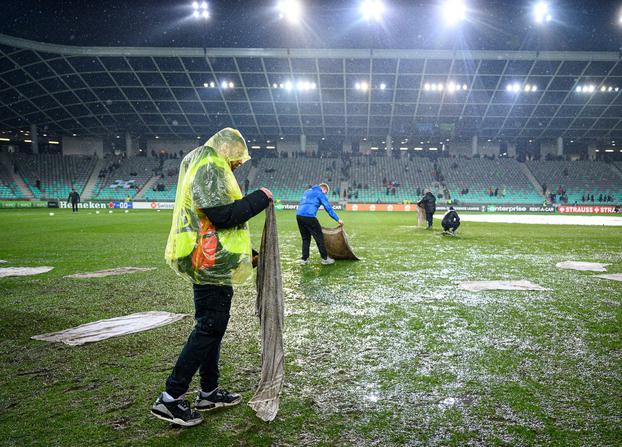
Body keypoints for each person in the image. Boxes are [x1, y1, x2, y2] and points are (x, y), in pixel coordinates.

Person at [152, 128, 273, 427]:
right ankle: (170, 398)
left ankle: (208, 391)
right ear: (228, 150)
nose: (239, 165)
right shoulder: (210, 166)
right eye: (238, 158)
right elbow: (221, 215)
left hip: (207, 260)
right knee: (208, 328)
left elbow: (214, 225)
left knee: (212, 328)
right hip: (207, 263)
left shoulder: (205, 163)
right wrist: (260, 198)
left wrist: (248, 254)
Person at [296, 182, 343, 265]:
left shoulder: (307, 191)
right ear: (324, 189)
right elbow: (328, 208)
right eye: (326, 193)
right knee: (319, 237)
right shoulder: (320, 193)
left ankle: (304, 259)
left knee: (305, 238)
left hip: (299, 216)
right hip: (309, 216)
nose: (325, 194)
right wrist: (338, 219)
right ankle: (325, 258)